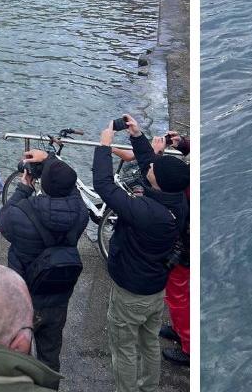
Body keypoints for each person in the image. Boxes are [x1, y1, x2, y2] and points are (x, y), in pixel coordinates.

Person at [93, 117, 188, 392]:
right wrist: (137, 135)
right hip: (155, 289)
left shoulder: (147, 213)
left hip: (131, 294)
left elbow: (104, 185)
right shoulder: (175, 200)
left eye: (155, 168)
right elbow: (151, 168)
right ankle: (149, 387)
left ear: (158, 181)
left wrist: (104, 146)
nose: (151, 165)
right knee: (149, 343)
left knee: (123, 348)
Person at [0, 153, 89, 378]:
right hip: (58, 295)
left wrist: (23, 188)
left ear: (43, 184)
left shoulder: (23, 213)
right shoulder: (81, 213)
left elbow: (2, 221)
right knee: (50, 356)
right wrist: (49, 160)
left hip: (24, 296)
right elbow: (71, 188)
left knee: (18, 355)